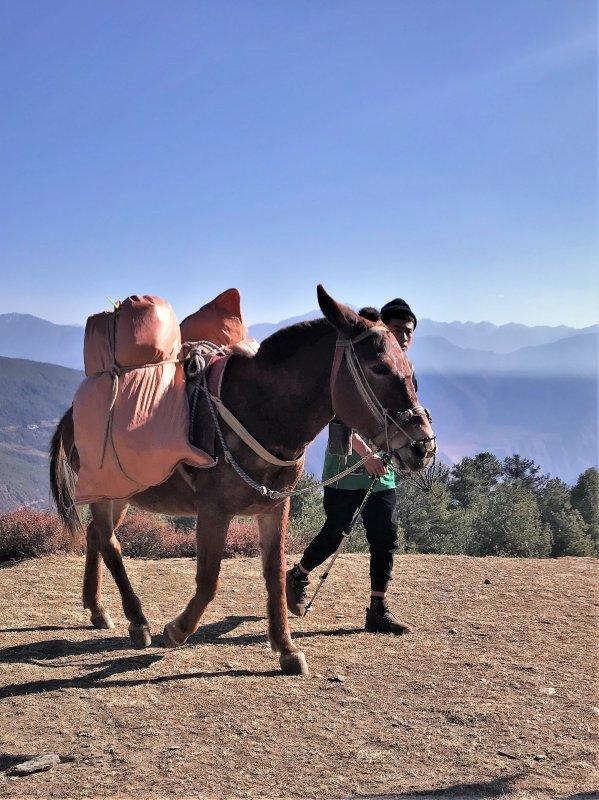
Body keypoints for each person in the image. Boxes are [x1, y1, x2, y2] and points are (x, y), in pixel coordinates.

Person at [286, 298, 418, 634]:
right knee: (334, 533)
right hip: (346, 467)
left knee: (384, 537)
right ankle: (298, 575)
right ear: (383, 329)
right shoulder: (359, 362)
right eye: (398, 330)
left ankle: (378, 608)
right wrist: (366, 455)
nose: (403, 338)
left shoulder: (403, 371)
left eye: (409, 333)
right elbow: (340, 419)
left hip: (382, 471)